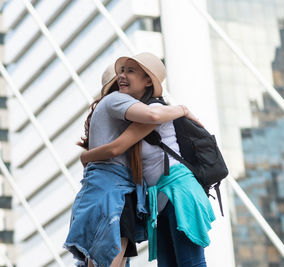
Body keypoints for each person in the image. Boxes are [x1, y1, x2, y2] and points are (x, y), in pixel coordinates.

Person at [64, 52, 200, 267]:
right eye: (121, 73)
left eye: (129, 72)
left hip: (115, 191)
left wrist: (86, 157)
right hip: (116, 192)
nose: (123, 78)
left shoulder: (118, 111)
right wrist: (181, 109)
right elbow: (120, 146)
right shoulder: (118, 101)